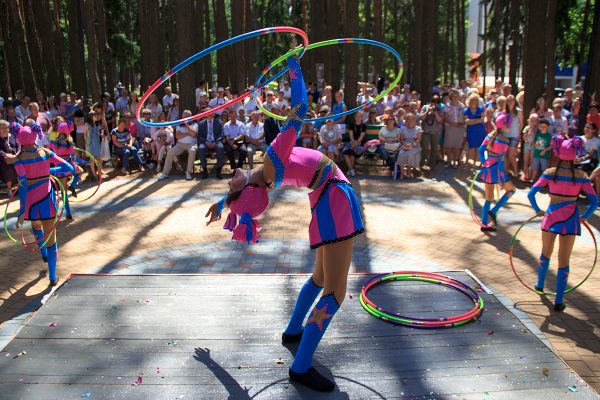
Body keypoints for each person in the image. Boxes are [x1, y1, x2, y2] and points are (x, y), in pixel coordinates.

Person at [205, 55, 364, 392]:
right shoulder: (273, 159)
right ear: (248, 188)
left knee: (321, 278)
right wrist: (294, 66)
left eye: (228, 188)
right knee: (335, 292)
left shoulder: (264, 175)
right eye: (230, 187)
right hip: (333, 199)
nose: (228, 182)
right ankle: (301, 364)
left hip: (325, 198)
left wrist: (224, 203)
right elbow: (302, 106)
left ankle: (293, 332)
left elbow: (242, 197)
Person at [527, 136, 598, 311]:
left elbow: (531, 193)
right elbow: (594, 201)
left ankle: (539, 285)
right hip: (571, 220)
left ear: (559, 153)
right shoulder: (581, 175)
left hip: (551, 216)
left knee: (546, 254)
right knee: (564, 261)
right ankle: (559, 301)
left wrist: (537, 209)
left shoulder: (550, 172)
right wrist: (584, 216)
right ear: (574, 155)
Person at [12, 122, 74, 285]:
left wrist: (21, 212)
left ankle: (44, 254)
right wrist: (49, 172)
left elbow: (23, 186)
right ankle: (53, 277)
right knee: (51, 239)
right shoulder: (46, 152)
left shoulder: (18, 160)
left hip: (32, 204)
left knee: (36, 227)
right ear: (34, 136)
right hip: (48, 201)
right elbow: (68, 167)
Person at [477, 113, 516, 232]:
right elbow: (501, 159)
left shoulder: (490, 135)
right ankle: (494, 210)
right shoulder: (504, 140)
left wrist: (485, 163)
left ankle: (484, 225)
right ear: (505, 126)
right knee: (512, 190)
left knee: (488, 198)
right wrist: (501, 176)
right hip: (498, 170)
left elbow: (481, 150)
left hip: (488, 169)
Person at [48, 122, 79, 219]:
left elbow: (49, 153)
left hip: (57, 168)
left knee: (57, 191)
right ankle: (68, 213)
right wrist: (86, 162)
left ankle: (57, 212)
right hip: (66, 168)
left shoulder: (53, 142)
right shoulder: (69, 143)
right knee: (64, 192)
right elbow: (73, 157)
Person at [158, 110, 198, 180]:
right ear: (182, 116)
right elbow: (177, 136)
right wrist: (189, 134)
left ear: (190, 117)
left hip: (191, 144)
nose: (185, 117)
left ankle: (188, 172)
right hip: (180, 145)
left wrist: (187, 125)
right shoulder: (179, 125)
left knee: (192, 151)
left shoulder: (195, 124)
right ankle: (165, 173)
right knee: (170, 152)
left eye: (187, 115)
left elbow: (194, 134)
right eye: (184, 115)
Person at [197, 109, 225, 179]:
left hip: (216, 142)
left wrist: (215, 142)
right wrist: (206, 142)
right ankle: (205, 170)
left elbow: (221, 135)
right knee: (201, 148)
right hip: (205, 142)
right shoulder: (201, 123)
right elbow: (199, 136)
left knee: (220, 148)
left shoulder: (218, 122)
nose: (209, 114)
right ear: (205, 114)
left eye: (211, 112)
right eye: (208, 113)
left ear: (213, 114)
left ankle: (218, 170)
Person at [419, 95, 444, 169]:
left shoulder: (441, 109)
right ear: (431, 101)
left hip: (436, 132)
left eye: (437, 102)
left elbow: (440, 121)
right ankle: (421, 164)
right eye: (433, 101)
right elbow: (421, 117)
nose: (435, 103)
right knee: (424, 148)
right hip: (426, 131)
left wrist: (436, 113)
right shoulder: (425, 107)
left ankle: (431, 165)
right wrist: (427, 111)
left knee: (434, 149)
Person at [464, 93, 486, 168]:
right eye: (472, 100)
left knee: (478, 148)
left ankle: (475, 164)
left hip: (480, 131)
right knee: (471, 148)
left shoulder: (481, 109)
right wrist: (477, 120)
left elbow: (482, 120)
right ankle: (469, 162)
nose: (474, 102)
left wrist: (471, 121)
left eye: (475, 100)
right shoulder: (466, 110)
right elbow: (466, 121)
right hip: (471, 132)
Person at [342, 111, 366, 178]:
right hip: (351, 142)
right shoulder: (351, 125)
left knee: (352, 153)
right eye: (357, 116)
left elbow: (361, 137)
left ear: (362, 117)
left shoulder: (363, 126)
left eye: (359, 116)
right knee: (346, 152)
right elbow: (351, 135)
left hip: (359, 143)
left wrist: (357, 143)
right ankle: (352, 170)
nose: (358, 118)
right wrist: (353, 142)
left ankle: (350, 170)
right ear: (355, 117)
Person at [0, 119, 19, 193]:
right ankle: (9, 188)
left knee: (21, 165)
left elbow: (18, 145)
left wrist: (17, 153)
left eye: (6, 127)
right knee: (8, 167)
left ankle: (21, 186)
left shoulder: (13, 136)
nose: (5, 129)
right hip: (3, 159)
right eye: (2, 128)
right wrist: (5, 155)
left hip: (16, 157)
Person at [522, 113, 539, 182]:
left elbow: (537, 137)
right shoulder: (526, 128)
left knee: (532, 161)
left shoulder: (538, 129)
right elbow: (525, 138)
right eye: (532, 120)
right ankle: (525, 176)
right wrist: (530, 129)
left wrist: (533, 129)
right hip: (527, 144)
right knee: (526, 161)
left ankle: (530, 176)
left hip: (533, 145)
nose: (533, 122)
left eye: (535, 120)